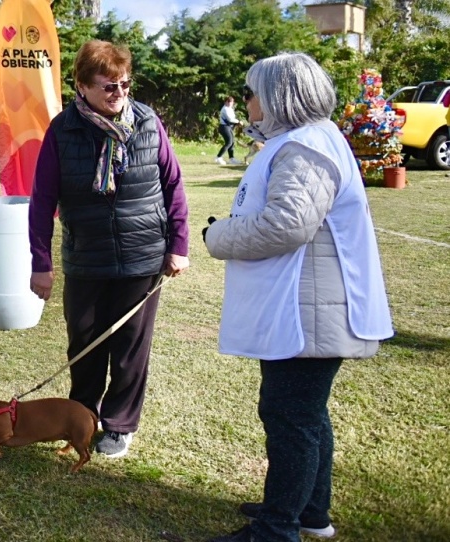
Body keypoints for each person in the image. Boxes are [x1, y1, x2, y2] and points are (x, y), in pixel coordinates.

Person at [202, 52, 394, 542]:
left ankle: (277, 527)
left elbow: (287, 225)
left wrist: (218, 236)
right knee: (304, 413)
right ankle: (309, 510)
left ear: (278, 97)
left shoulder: (306, 147)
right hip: (304, 306)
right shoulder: (300, 142)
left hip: (308, 312)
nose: (246, 101)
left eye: (252, 92)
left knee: (290, 415)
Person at [28, 40, 190, 459]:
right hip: (87, 258)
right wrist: (40, 263)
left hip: (143, 257)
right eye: (109, 87)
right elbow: (42, 200)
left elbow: (172, 185)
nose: (119, 94)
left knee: (131, 346)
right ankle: (81, 416)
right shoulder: (63, 131)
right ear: (82, 86)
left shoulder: (149, 123)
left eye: (125, 84)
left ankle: (119, 425)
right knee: (84, 343)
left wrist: (179, 245)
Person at [215, 96, 244, 165]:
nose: (231, 103)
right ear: (226, 102)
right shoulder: (225, 109)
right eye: (229, 101)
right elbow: (230, 119)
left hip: (228, 127)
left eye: (231, 102)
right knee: (229, 142)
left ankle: (231, 158)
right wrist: (239, 121)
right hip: (224, 127)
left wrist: (237, 123)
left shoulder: (230, 109)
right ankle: (218, 157)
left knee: (232, 142)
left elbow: (232, 119)